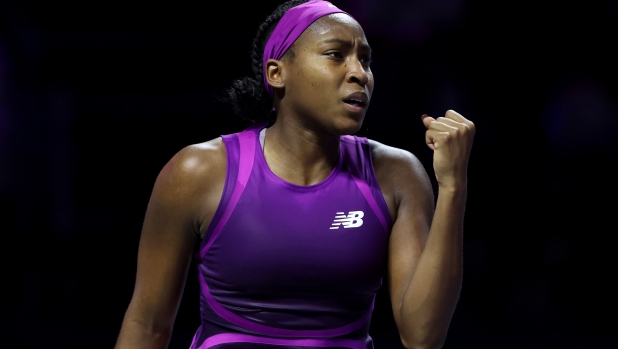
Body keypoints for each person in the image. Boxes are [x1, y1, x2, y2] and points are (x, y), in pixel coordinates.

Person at [115, 0, 475, 348]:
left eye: (365, 60)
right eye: (336, 54)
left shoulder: (398, 175)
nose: (359, 73)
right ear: (277, 73)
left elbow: (422, 337)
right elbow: (147, 325)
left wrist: (453, 185)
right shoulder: (197, 172)